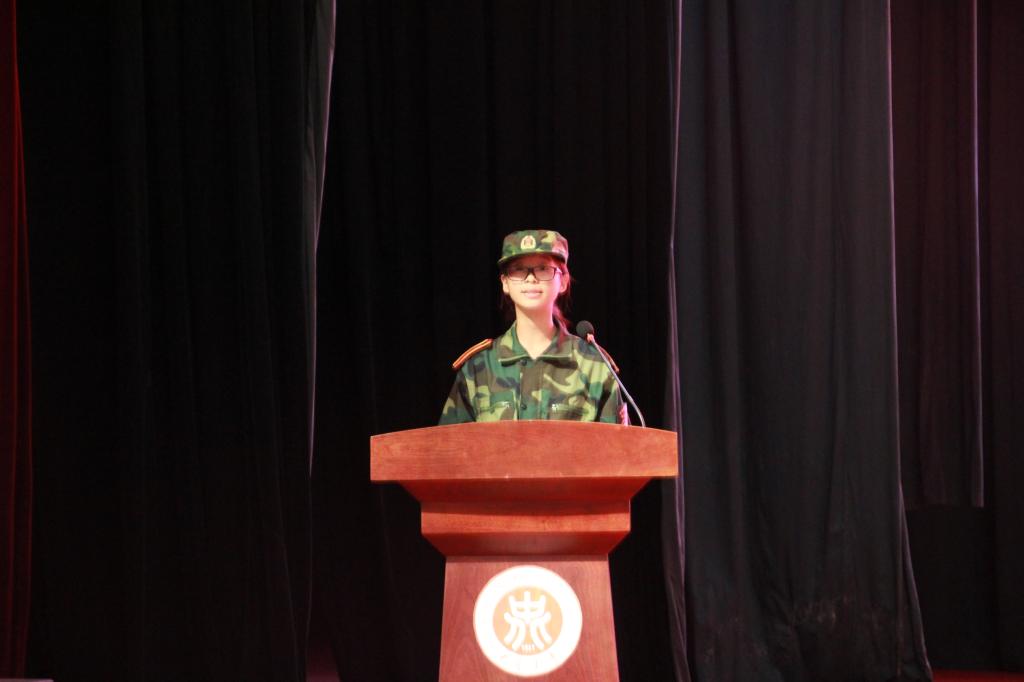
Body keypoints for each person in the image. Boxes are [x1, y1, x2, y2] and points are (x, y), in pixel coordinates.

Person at [439, 229, 628, 425]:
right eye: (519, 269)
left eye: (543, 268)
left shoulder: (594, 365)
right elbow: (449, 443)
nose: (531, 278)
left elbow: (618, 443)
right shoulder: (478, 368)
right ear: (505, 282)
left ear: (563, 281)